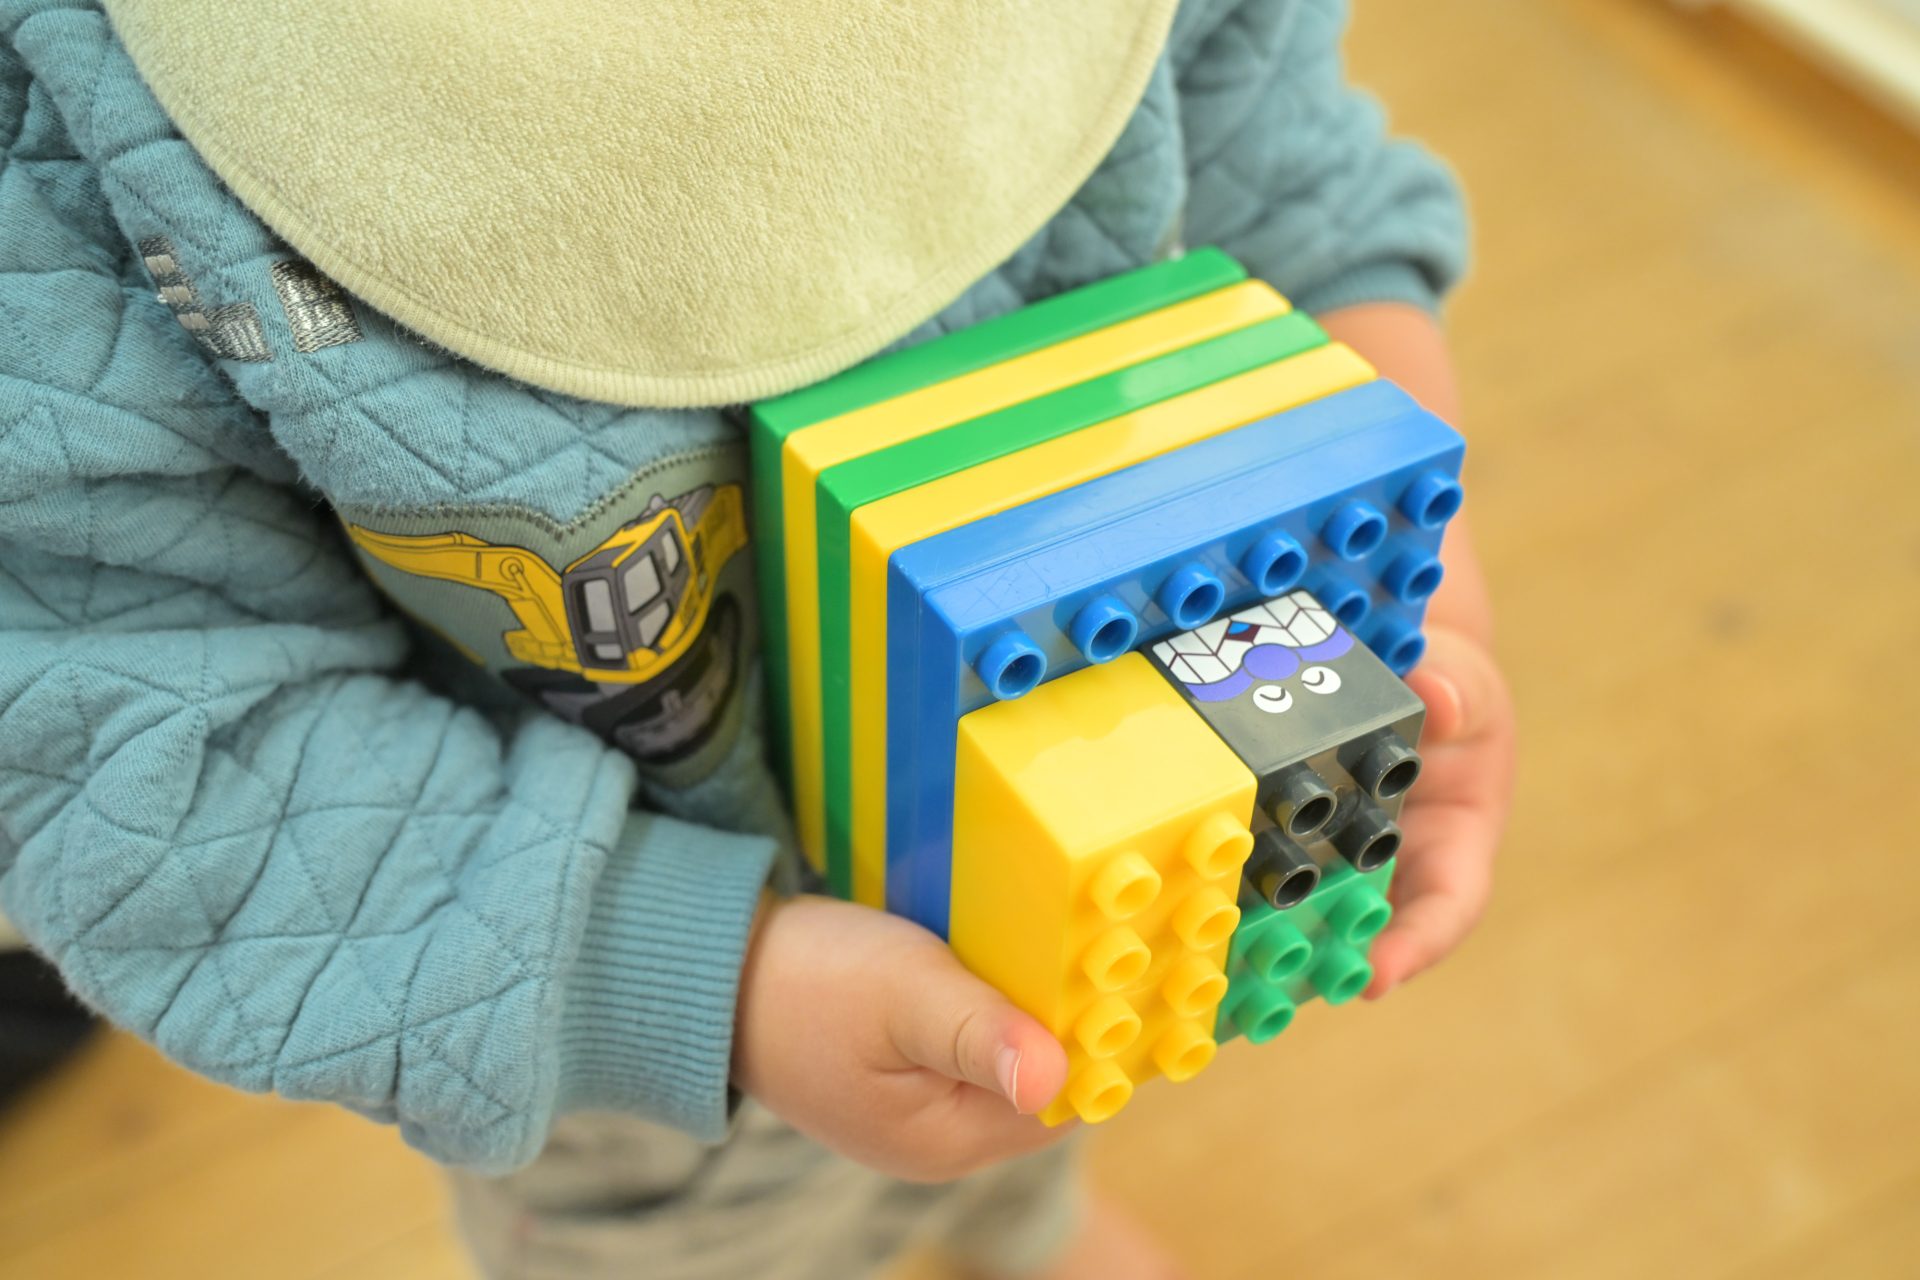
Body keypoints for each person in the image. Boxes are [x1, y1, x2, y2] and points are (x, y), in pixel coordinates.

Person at [0, 1, 1515, 1276]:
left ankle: (1021, 1232)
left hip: (1095, 874)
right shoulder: (88, 164)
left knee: (1045, 1091)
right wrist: (704, 981)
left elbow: (1278, 162)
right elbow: (137, 747)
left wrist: (1407, 588)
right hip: (626, 1020)